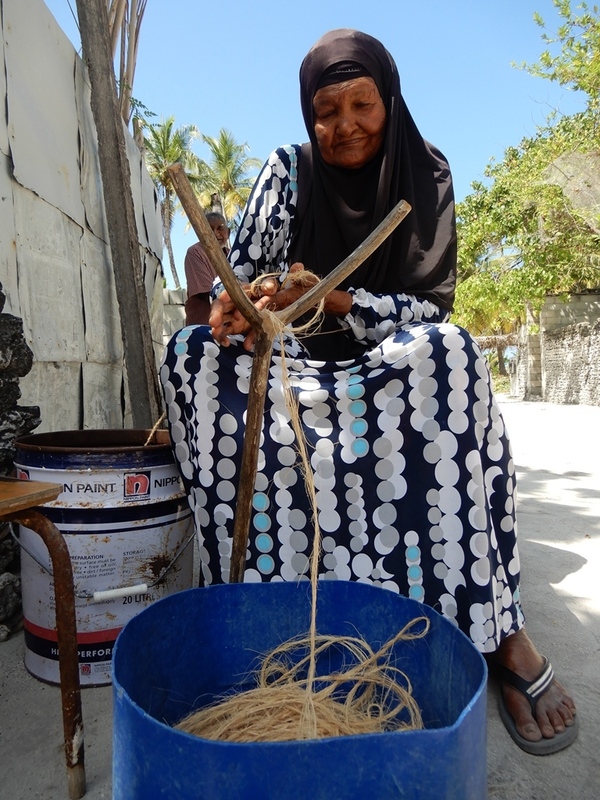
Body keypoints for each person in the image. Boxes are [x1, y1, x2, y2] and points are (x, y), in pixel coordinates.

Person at [161, 29, 577, 754]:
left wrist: (344, 300)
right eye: (327, 110)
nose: (344, 124)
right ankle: (257, 617)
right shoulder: (285, 173)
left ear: (389, 101)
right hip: (290, 363)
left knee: (449, 351)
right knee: (191, 354)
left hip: (387, 360)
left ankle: (495, 628)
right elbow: (253, 282)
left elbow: (430, 305)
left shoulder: (427, 172)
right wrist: (244, 309)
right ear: (306, 114)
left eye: (362, 104)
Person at [183, 212, 230, 325]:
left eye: (220, 228)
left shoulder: (232, 255)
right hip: (205, 325)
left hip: (230, 327)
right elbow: (208, 295)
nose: (215, 233)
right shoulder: (195, 253)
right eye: (209, 229)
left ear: (228, 233)